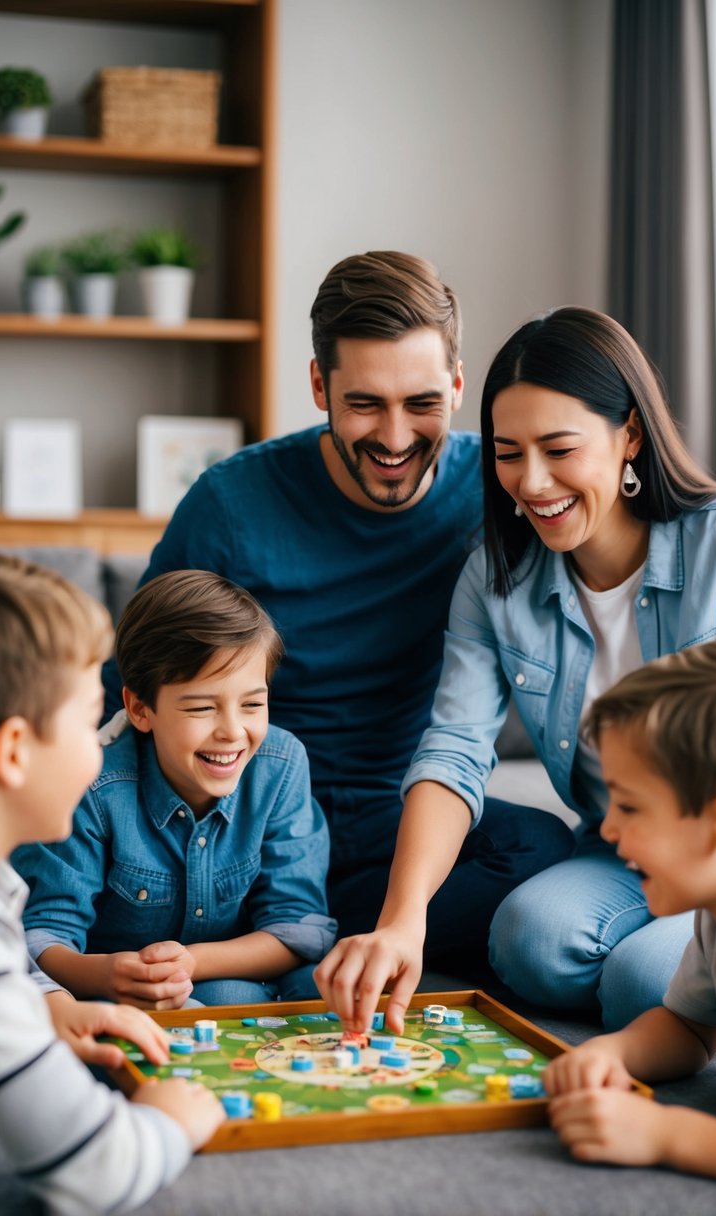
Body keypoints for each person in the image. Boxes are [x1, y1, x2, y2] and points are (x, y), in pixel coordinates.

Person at [315, 305, 716, 1035]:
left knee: (641, 985)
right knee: (528, 942)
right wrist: (402, 920)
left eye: (558, 449)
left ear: (629, 435)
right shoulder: (494, 577)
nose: (531, 482)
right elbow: (453, 748)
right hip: (625, 849)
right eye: (507, 452)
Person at [103, 251, 574, 974]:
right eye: (364, 404)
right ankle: (279, 931)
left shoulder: (502, 485)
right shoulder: (230, 504)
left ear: (456, 382)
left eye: (421, 403)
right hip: (259, 819)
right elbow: (132, 683)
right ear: (320, 386)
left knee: (539, 848)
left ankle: (311, 939)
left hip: (402, 819)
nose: (393, 438)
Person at [0, 550, 224, 1213]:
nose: (103, 745)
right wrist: (171, 1116)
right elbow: (95, 1172)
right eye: (90, 719)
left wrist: (48, 1008)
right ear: (12, 751)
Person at [545, 632, 716, 1201]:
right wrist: (611, 1052)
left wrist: (670, 1134)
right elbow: (692, 1028)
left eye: (630, 805)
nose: (608, 827)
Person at [14, 569, 336, 1009]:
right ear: (141, 709)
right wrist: (108, 975)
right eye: (202, 707)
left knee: (261, 992)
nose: (232, 731)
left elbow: (299, 930)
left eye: (253, 704)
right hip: (116, 995)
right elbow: (44, 936)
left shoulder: (280, 766)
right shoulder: (91, 785)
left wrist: (191, 962)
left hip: (233, 980)